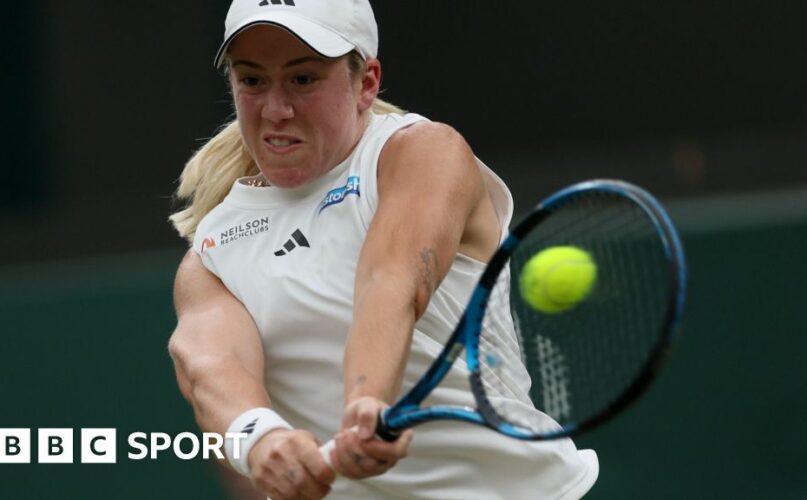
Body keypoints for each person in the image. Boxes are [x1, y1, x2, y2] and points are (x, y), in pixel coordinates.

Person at [168, 0, 599, 498]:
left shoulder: (421, 153)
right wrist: (260, 438)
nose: (275, 108)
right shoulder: (214, 250)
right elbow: (210, 363)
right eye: (252, 81)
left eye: (303, 79)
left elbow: (389, 283)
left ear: (366, 82)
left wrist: (367, 402)